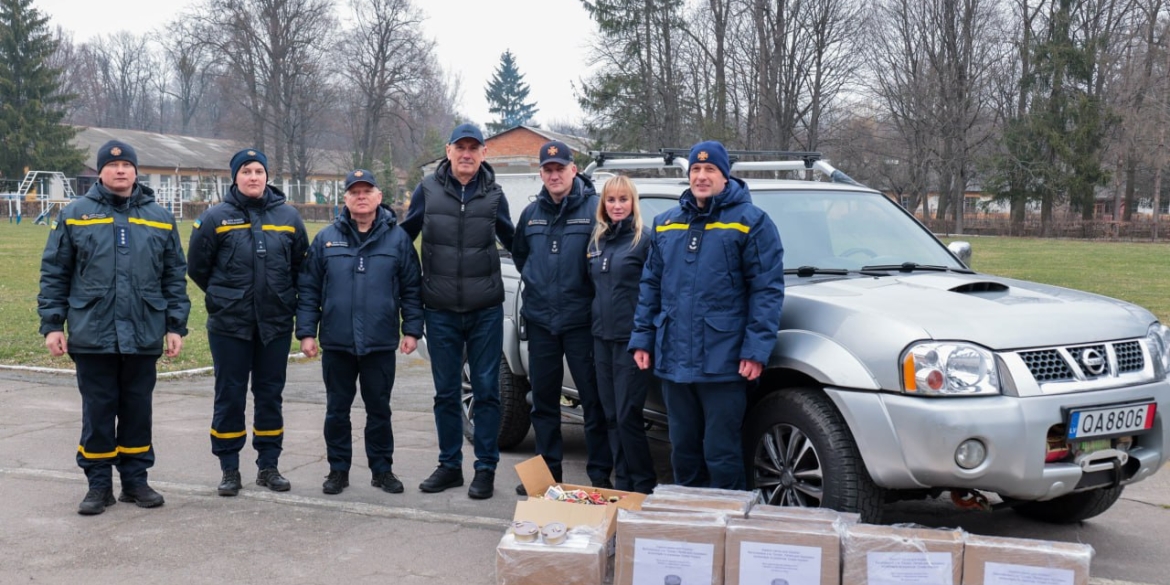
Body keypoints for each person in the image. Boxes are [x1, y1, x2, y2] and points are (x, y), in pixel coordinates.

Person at [38, 140, 191, 515]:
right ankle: (98, 485)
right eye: (112, 165)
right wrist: (52, 324)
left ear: (136, 171)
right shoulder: (75, 213)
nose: (120, 170)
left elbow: (174, 275)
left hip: (143, 330)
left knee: (138, 408)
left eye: (127, 165)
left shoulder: (159, 216)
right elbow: (55, 271)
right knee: (99, 409)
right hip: (93, 331)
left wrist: (175, 326)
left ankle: (135, 481)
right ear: (101, 171)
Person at [629, 140, 785, 490]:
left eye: (709, 169)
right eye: (695, 170)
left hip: (724, 361)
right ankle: (692, 527)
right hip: (674, 360)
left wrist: (755, 350)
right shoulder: (667, 223)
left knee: (721, 451)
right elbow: (651, 286)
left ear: (725, 175)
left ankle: (727, 523)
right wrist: (642, 339)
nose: (701, 176)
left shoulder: (752, 223)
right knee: (683, 449)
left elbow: (767, 290)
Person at [401, 124, 514, 499]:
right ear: (448, 151)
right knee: (446, 392)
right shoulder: (427, 190)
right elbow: (404, 237)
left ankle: (485, 469)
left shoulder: (495, 195)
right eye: (460, 147)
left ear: (483, 154)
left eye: (474, 148)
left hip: (485, 310)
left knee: (486, 392)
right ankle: (449, 466)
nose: (467, 154)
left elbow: (516, 243)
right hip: (441, 309)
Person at [187, 148, 309, 496]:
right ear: (235, 177)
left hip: (275, 324)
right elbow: (197, 267)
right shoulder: (215, 218)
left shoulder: (289, 217)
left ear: (267, 176)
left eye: (258, 171)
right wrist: (224, 297)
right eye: (246, 171)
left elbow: (302, 269)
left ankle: (268, 466)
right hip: (230, 325)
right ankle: (229, 468)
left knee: (270, 395)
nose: (253, 177)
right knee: (230, 395)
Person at [297, 169, 423, 495]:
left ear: (379, 197)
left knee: (379, 409)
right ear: (346, 199)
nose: (361, 196)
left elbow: (411, 289)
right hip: (337, 342)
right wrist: (306, 333)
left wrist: (412, 330)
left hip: (379, 343)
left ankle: (382, 470)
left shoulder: (398, 240)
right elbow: (309, 289)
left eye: (367, 191)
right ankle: (338, 470)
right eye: (355, 192)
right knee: (337, 410)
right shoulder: (326, 239)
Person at [512, 140, 612, 494]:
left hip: (581, 322)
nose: (554, 175)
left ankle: (600, 473)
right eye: (548, 170)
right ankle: (546, 476)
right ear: (541, 174)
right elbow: (522, 256)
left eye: (560, 168)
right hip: (541, 323)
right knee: (543, 403)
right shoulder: (531, 214)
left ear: (574, 169)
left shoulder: (595, 208)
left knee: (593, 401)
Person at [588, 176, 657, 494]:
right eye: (611, 200)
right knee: (611, 414)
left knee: (629, 415)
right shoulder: (597, 241)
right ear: (604, 204)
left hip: (632, 342)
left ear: (633, 203)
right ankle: (623, 481)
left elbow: (654, 291)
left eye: (623, 199)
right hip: (601, 338)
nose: (617, 205)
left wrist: (645, 336)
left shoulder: (643, 241)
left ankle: (642, 483)